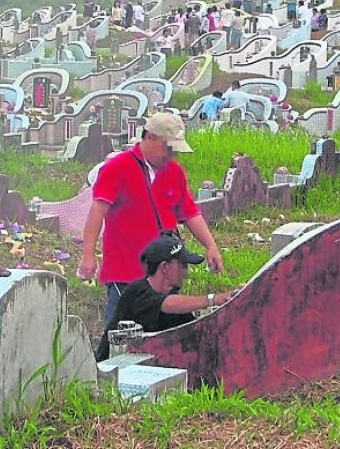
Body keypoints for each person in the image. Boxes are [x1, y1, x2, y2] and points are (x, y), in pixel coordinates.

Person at [77, 112, 224, 324]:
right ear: (150, 137)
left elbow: (190, 213)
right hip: (126, 270)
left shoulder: (174, 172)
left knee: (164, 331)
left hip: (165, 275)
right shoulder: (118, 167)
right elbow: (97, 211)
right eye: (168, 147)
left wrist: (211, 245)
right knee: (121, 333)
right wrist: (88, 254)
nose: (171, 155)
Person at [94, 232, 235, 361]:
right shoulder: (137, 292)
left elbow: (194, 330)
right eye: (182, 265)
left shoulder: (172, 297)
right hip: (110, 374)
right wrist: (213, 299)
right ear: (165, 267)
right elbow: (168, 304)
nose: (186, 271)